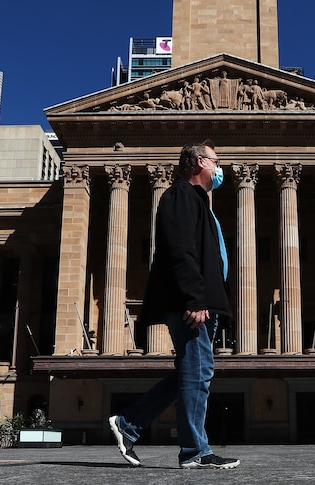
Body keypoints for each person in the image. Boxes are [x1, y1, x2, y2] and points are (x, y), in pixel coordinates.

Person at [109, 140, 239, 470]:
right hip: (191, 303)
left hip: (199, 302)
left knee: (190, 372)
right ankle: (195, 451)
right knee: (198, 372)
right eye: (215, 161)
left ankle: (129, 424)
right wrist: (196, 298)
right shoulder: (181, 195)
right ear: (199, 162)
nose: (219, 168)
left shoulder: (197, 201)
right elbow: (181, 250)